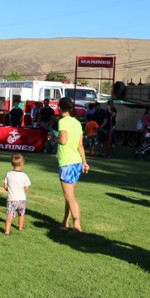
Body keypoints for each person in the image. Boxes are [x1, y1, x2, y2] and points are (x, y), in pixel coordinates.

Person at [57, 97, 89, 232]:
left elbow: (63, 140)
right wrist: (85, 162)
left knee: (70, 197)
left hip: (67, 162)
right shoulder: (77, 123)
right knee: (69, 196)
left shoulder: (62, 122)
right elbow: (80, 145)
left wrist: (54, 138)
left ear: (60, 108)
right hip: (76, 162)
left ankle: (77, 225)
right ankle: (65, 221)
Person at [3, 154, 32, 235]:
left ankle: (7, 231)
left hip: (11, 199)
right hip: (22, 199)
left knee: (9, 215)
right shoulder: (24, 175)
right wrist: (23, 189)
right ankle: (20, 228)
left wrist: (10, 190)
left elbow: (5, 186)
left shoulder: (8, 174)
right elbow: (27, 187)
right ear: (22, 164)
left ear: (12, 163)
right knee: (21, 214)